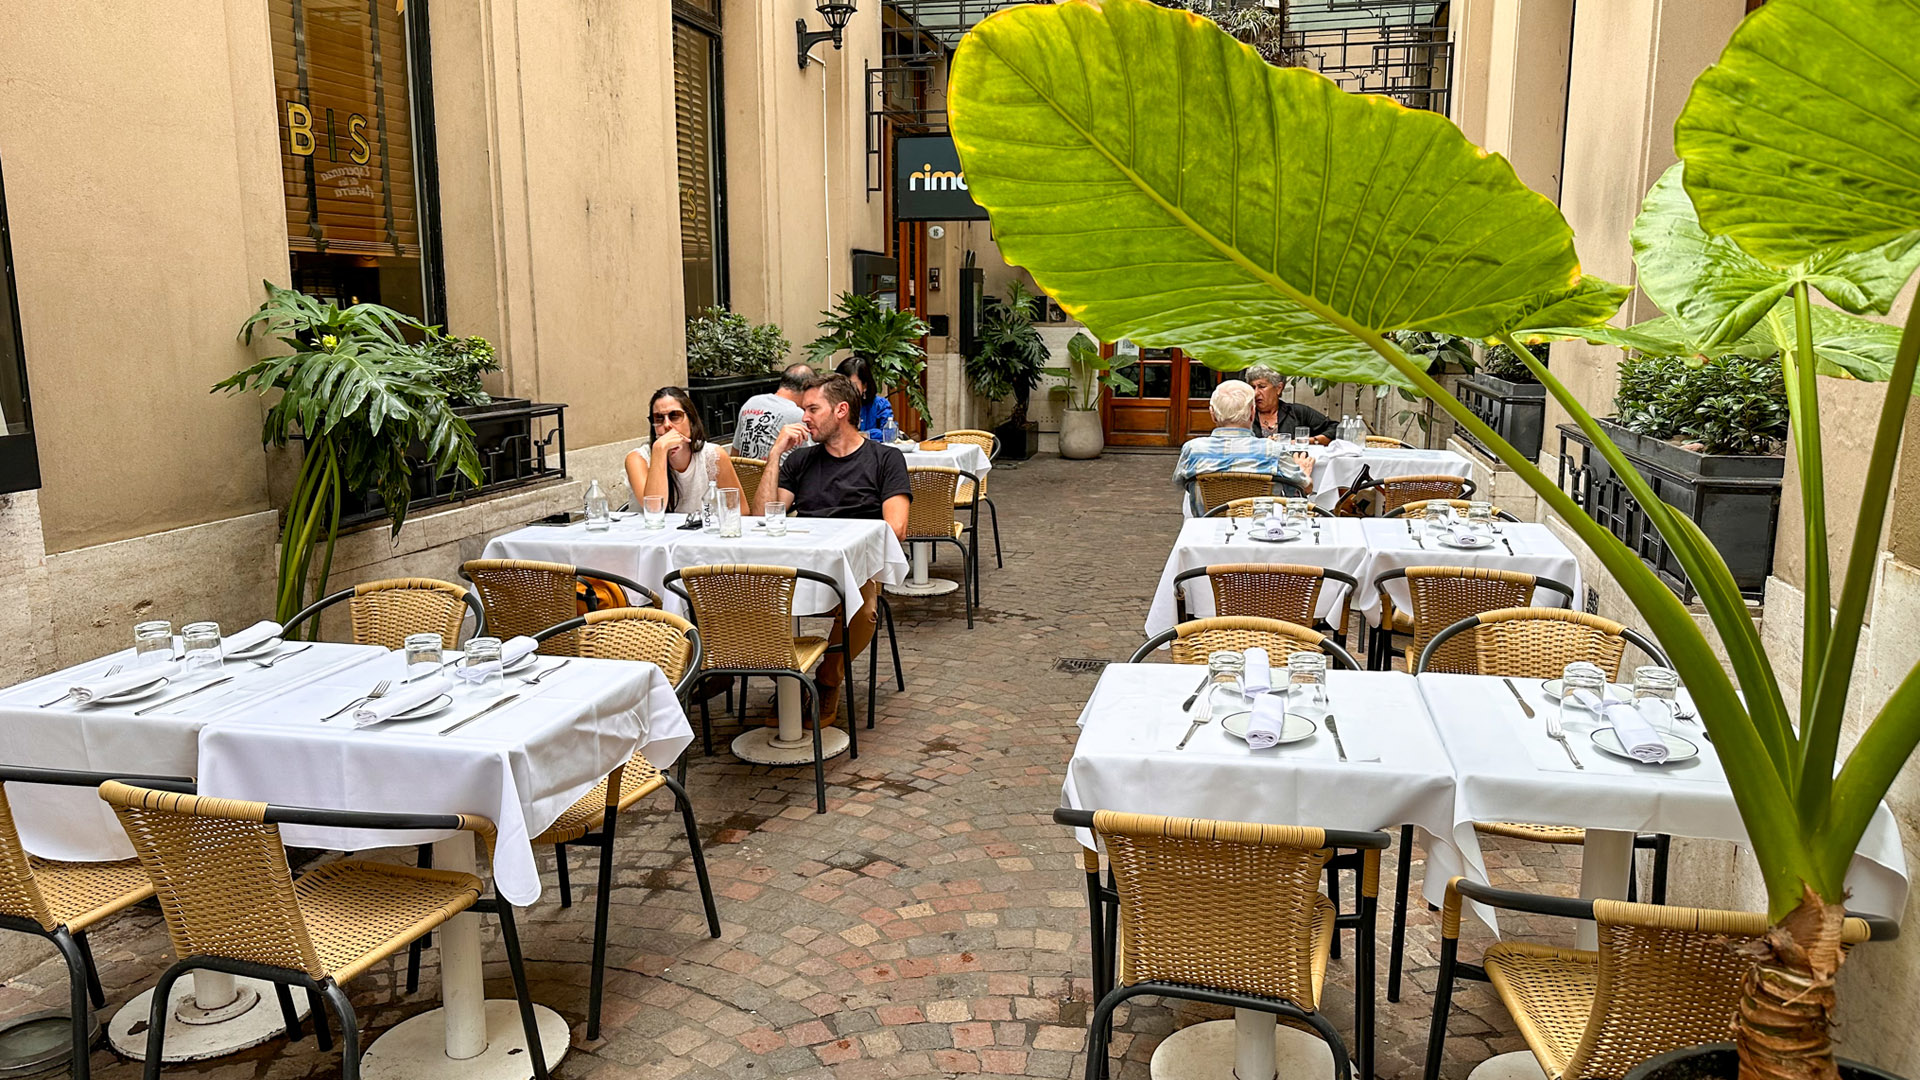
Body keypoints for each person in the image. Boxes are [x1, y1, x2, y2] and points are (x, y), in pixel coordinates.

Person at [758, 373, 911, 721]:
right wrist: (775, 454)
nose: (804, 418)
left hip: (857, 566)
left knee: (866, 606)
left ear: (841, 410)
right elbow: (763, 517)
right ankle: (788, 680)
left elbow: (896, 528)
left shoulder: (885, 459)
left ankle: (828, 677)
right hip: (799, 565)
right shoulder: (800, 461)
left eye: (813, 409)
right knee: (740, 601)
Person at [1173, 380, 1315, 515]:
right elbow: (1304, 489)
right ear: (1253, 412)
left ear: (1212, 413)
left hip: (1208, 529)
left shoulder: (1193, 449)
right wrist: (1304, 471)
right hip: (1259, 531)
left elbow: (1180, 483)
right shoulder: (1272, 450)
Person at [625, 386, 745, 515]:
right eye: (658, 419)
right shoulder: (637, 459)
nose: (666, 425)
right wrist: (659, 451)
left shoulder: (713, 455)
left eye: (675, 416)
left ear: (691, 420)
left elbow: (741, 510)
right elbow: (654, 510)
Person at [733, 362, 813, 461]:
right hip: (777, 474)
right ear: (807, 389)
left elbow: (735, 453)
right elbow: (811, 459)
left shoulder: (751, 402)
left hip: (745, 474)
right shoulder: (797, 414)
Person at [1244, 366, 1336, 443]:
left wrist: (1308, 441)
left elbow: (1335, 429)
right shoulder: (1244, 415)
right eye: (1252, 387)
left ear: (1279, 388)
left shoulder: (1298, 413)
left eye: (1262, 387)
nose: (1255, 393)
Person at [836, 356, 897, 441]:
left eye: (852, 385)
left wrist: (862, 435)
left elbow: (889, 434)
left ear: (864, 385)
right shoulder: (833, 405)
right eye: (842, 384)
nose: (846, 389)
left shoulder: (880, 405)